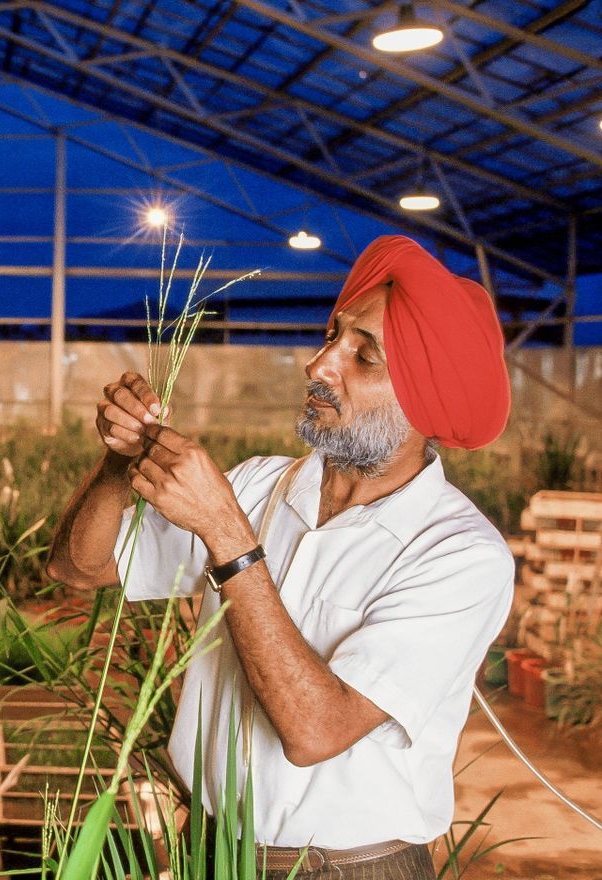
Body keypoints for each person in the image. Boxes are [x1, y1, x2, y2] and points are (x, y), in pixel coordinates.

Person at [45, 235, 514, 879]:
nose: (319, 364)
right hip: (208, 851)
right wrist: (119, 465)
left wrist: (227, 535)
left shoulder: (459, 555)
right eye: (331, 335)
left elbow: (317, 732)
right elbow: (78, 568)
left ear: (422, 400)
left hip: (348, 869)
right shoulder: (259, 485)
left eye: (363, 355)